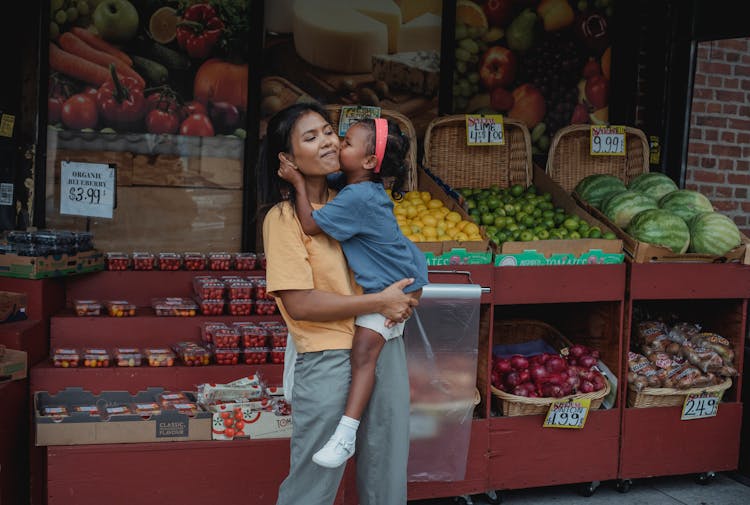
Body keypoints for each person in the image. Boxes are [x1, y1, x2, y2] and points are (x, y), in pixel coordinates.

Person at [259, 102, 418, 505]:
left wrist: (409, 291)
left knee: (386, 473)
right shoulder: (283, 220)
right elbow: (302, 305)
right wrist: (381, 300)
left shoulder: (356, 197)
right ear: (287, 159)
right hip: (327, 355)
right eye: (311, 137)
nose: (328, 140)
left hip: (383, 345)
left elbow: (398, 252)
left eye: (330, 131)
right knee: (312, 485)